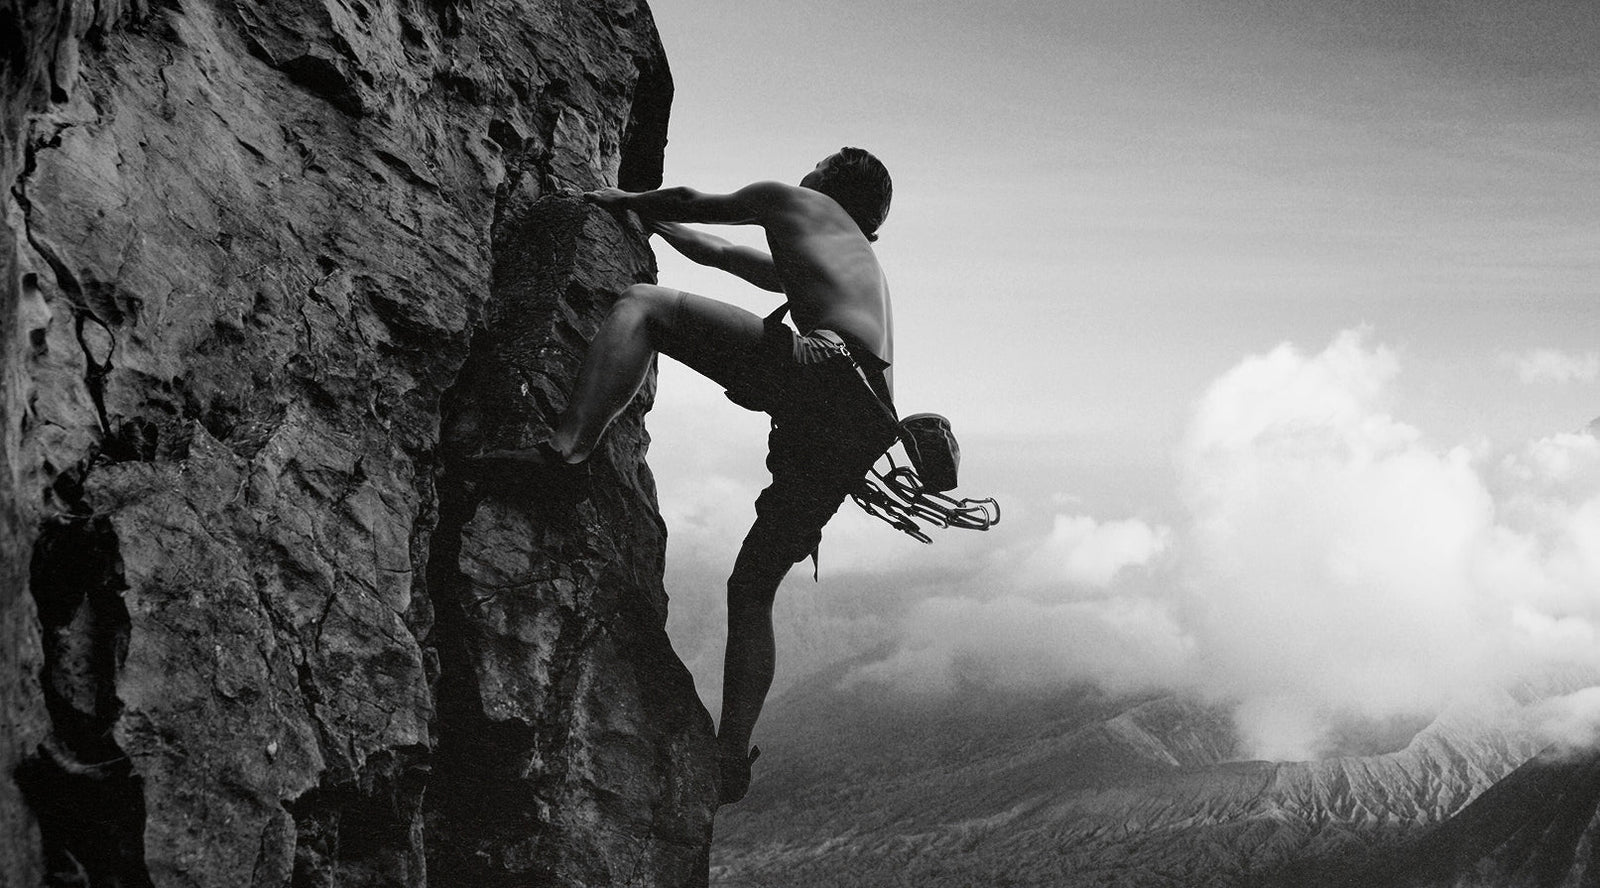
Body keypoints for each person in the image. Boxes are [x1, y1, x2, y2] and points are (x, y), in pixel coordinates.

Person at [474, 147, 897, 805]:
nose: (806, 172)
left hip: (823, 375)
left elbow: (698, 204)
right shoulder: (843, 262)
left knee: (645, 306)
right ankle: (731, 755)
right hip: (860, 421)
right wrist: (650, 223)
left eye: (817, 166)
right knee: (752, 586)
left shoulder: (797, 201)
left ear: (829, 184)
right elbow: (719, 254)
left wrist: (627, 200)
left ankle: (565, 457)